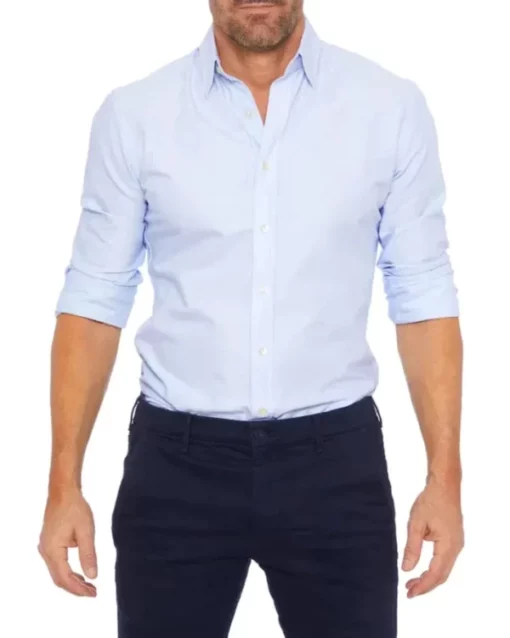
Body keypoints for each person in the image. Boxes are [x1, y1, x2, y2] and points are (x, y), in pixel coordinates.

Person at [38, 1, 464, 636]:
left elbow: (423, 293)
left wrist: (444, 482)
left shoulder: (389, 108)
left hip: (335, 467)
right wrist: (63, 486)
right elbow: (94, 299)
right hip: (176, 469)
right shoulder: (135, 116)